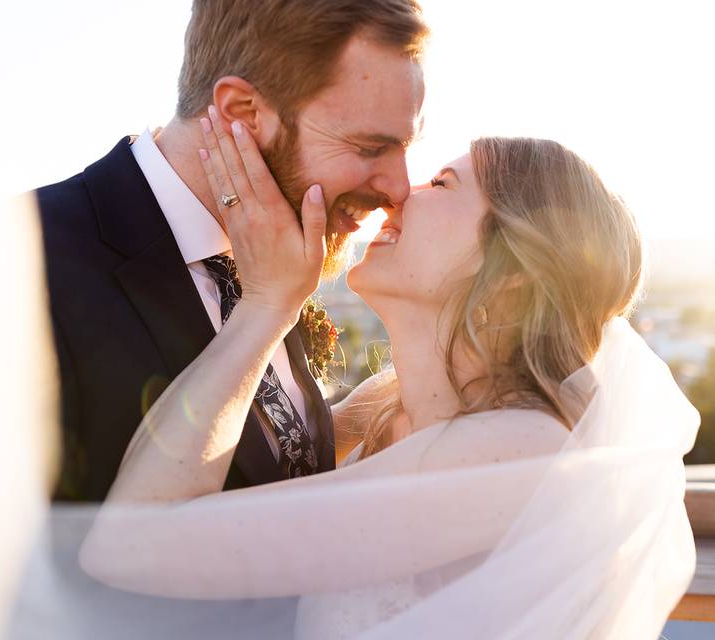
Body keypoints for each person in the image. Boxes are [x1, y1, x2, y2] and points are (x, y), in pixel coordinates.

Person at [76, 117, 701, 638]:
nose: (400, 195)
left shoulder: (516, 453)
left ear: (509, 273)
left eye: (442, 182)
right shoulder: (388, 409)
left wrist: (267, 305)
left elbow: (133, 546)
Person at [36, 0, 428, 501]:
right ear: (242, 112)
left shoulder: (275, 253)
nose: (400, 189)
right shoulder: (22, 267)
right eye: (370, 148)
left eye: (406, 148)